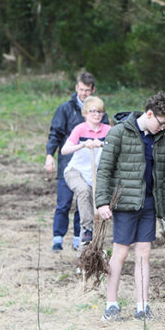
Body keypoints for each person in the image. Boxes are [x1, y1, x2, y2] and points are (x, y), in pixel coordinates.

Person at [95, 92, 165, 321]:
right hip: (124, 203)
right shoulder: (119, 133)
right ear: (150, 114)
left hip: (149, 203)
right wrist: (102, 202)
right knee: (121, 253)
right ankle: (111, 305)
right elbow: (104, 170)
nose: (163, 129)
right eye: (161, 123)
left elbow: (159, 178)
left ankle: (142, 307)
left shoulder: (161, 139)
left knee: (144, 254)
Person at [45, 72, 108, 252]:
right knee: (64, 202)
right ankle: (58, 237)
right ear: (76, 88)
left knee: (85, 200)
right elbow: (55, 133)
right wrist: (50, 155)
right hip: (69, 163)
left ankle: (78, 237)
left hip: (91, 167)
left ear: (93, 90)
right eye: (81, 90)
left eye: (87, 90)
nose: (84, 93)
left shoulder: (100, 111)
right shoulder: (65, 109)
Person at [60, 96, 111, 248]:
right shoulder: (80, 129)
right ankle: (87, 228)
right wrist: (83, 145)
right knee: (83, 191)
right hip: (76, 172)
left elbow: (116, 148)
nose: (97, 115)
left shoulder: (108, 130)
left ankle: (95, 249)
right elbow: (64, 150)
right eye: (93, 111)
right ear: (85, 113)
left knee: (99, 205)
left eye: (100, 112)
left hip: (96, 175)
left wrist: (102, 144)